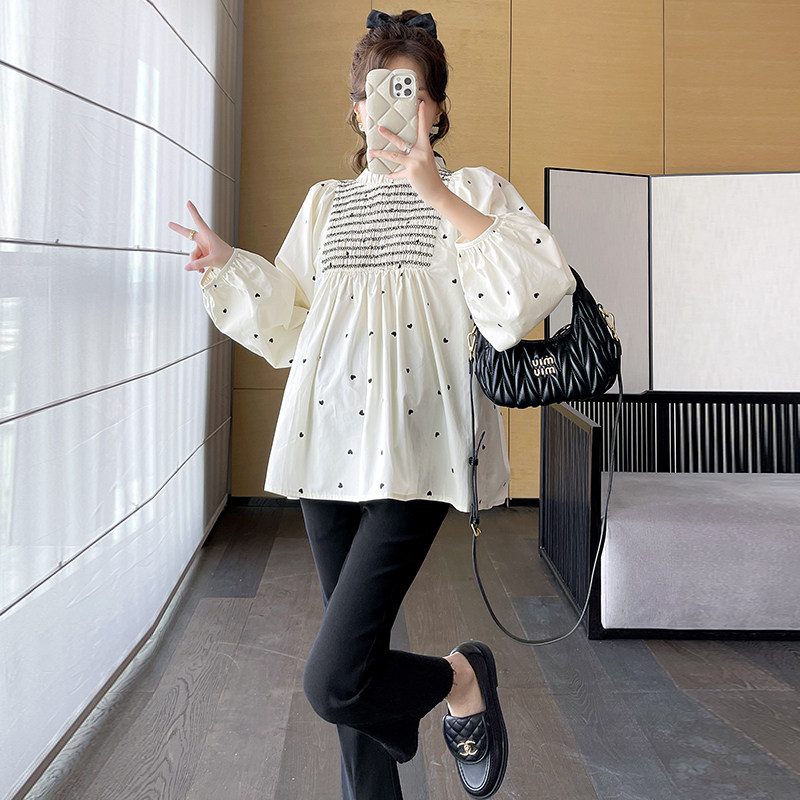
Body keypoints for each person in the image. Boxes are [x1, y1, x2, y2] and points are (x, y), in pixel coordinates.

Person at [168, 9, 575, 799]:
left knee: (334, 679)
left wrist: (436, 194)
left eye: (410, 90)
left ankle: (462, 677)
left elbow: (524, 294)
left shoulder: (471, 191)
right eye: (376, 92)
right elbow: (292, 322)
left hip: (422, 449)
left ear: (436, 108)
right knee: (355, 663)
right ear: (356, 110)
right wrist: (229, 263)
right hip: (323, 446)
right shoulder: (327, 204)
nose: (390, 106)